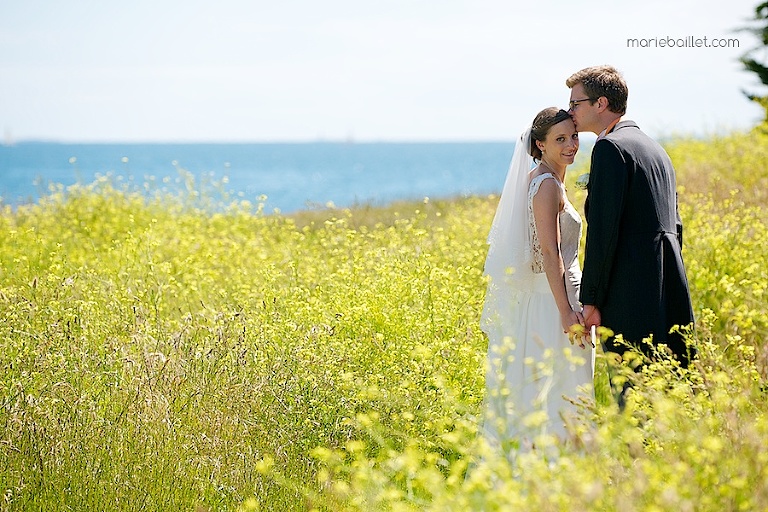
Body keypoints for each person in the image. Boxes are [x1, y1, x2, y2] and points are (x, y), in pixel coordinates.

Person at [565, 65, 695, 402]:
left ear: (601, 103)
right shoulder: (655, 149)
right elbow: (675, 227)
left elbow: (603, 234)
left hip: (629, 293)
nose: (570, 112)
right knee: (669, 389)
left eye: (575, 103)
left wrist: (590, 300)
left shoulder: (611, 149)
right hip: (669, 286)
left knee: (633, 393)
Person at [480, 107, 595, 451]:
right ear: (540, 145)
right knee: (560, 388)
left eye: (573, 136)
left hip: (547, 297)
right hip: (553, 301)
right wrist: (565, 312)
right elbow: (549, 253)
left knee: (548, 388)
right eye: (559, 139)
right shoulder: (546, 186)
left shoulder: (546, 179)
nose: (571, 144)